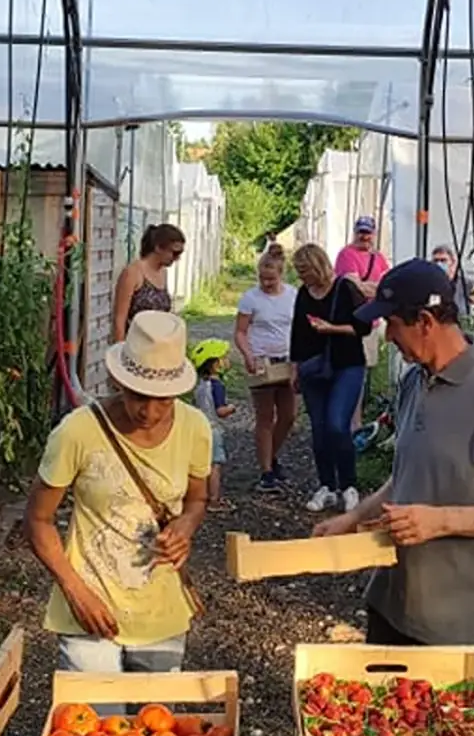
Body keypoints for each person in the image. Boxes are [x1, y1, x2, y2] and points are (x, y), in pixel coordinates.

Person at [312, 258, 474, 689]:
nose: (387, 337)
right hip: (395, 603)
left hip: (459, 625)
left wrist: (440, 521)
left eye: (392, 324)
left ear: (424, 321)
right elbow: (407, 474)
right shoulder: (414, 382)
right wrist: (354, 518)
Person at [25, 310, 211, 673]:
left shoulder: (195, 428)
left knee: (157, 727)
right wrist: (75, 591)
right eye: (140, 395)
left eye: (165, 399)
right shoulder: (77, 432)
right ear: (118, 382)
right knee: (95, 727)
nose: (150, 412)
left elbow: (197, 499)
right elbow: (37, 519)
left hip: (161, 609)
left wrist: (184, 529)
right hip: (90, 610)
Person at [290, 243, 372, 514]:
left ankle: (348, 484)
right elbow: (297, 332)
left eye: (305, 272)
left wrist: (331, 328)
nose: (303, 278)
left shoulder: (345, 288)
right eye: (300, 273)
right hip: (313, 367)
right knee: (320, 428)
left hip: (346, 364)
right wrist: (294, 368)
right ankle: (326, 485)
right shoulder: (304, 293)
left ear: (317, 267)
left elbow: (363, 327)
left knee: (338, 424)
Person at [235, 244, 298, 494]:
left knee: (289, 415)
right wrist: (248, 354)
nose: (266, 283)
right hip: (261, 360)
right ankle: (266, 471)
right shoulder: (251, 298)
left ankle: (271, 455)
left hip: (287, 360)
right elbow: (240, 332)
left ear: (281, 274)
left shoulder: (292, 295)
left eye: (271, 278)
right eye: (262, 278)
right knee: (264, 416)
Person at [334, 217, 391, 432]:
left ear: (374, 234)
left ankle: (355, 420)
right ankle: (351, 422)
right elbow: (354, 289)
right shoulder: (346, 255)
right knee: (352, 370)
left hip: (372, 323)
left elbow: (387, 287)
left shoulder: (379, 258)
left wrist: (371, 288)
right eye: (361, 232)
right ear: (354, 232)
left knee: (364, 371)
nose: (364, 237)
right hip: (352, 322)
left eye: (368, 233)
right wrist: (375, 289)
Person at [114, 223, 186, 342]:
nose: (176, 258)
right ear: (158, 248)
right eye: (174, 253)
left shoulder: (163, 273)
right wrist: (120, 352)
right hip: (135, 347)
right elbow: (119, 319)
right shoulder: (133, 273)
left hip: (157, 349)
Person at [189, 338, 235, 512]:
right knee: (215, 464)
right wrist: (231, 408)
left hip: (198, 427)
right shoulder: (217, 386)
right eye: (224, 357)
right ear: (216, 364)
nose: (227, 360)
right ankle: (214, 499)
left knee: (200, 465)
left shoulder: (199, 385)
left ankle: (198, 496)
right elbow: (220, 411)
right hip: (213, 429)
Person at [431, 244, 474, 319]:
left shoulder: (466, 283)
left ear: (452, 262)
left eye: (443, 260)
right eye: (436, 261)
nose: (439, 264)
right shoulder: (430, 284)